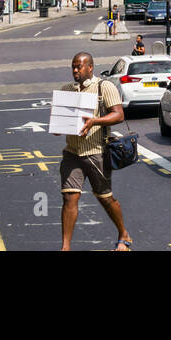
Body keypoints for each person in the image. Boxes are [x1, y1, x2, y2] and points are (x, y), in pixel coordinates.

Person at [59, 52, 132, 251]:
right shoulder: (66, 90)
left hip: (96, 152)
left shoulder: (104, 87)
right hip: (72, 153)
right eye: (73, 66)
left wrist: (94, 121)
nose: (75, 70)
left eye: (79, 67)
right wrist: (58, 126)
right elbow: (60, 124)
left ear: (90, 67)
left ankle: (123, 234)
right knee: (69, 197)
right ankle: (65, 247)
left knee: (105, 198)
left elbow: (118, 115)